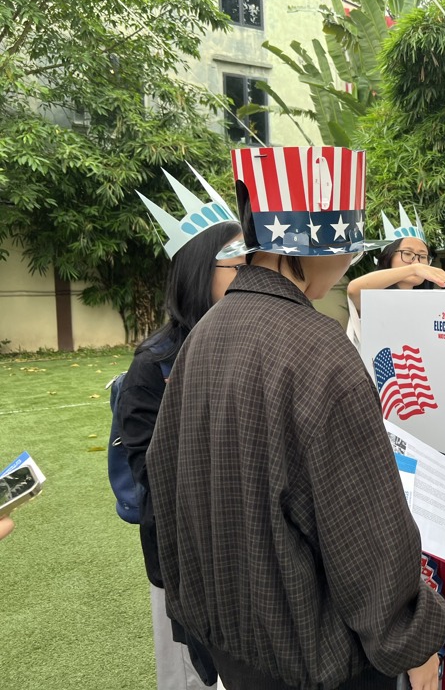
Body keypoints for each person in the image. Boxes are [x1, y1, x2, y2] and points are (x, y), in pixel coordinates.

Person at [147, 146, 445, 690]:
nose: (346, 268)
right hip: (315, 658)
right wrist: (413, 642)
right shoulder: (320, 348)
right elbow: (365, 528)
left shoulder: (203, 337)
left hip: (233, 644)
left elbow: (164, 483)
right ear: (315, 246)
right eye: (347, 253)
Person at [122, 168, 244, 689]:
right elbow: (144, 472)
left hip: (249, 552)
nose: (254, 277)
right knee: (191, 676)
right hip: (184, 557)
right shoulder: (155, 364)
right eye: (240, 266)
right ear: (199, 271)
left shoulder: (249, 342)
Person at [345, 206, 445, 350]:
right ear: (389, 256)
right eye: (407, 253)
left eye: (422, 256)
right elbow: (353, 290)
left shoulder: (430, 303)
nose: (416, 261)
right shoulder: (374, 297)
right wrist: (413, 269)